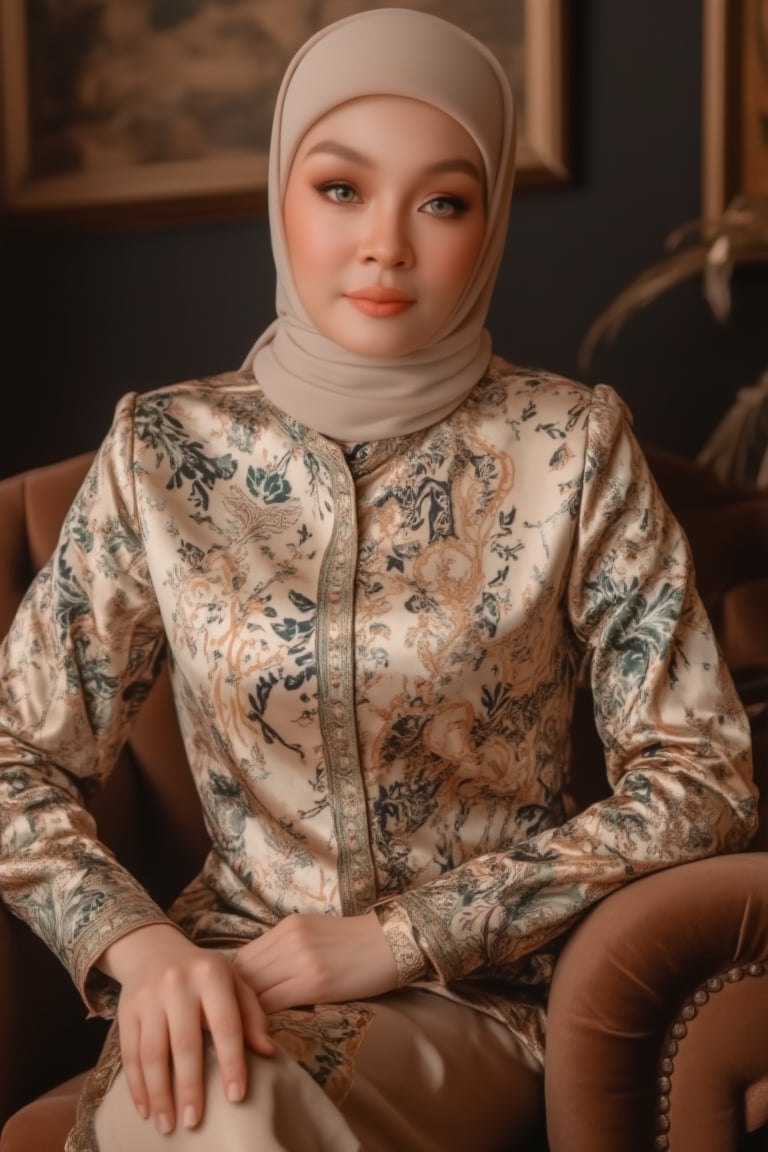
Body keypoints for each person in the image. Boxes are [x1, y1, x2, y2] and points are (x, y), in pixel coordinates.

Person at [0, 8, 757, 1152]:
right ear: (281, 195)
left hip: (478, 1001)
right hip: (221, 984)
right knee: (210, 1099)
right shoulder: (164, 452)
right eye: (341, 189)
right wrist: (138, 949)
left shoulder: (572, 448)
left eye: (442, 200)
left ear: (490, 216)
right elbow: (14, 754)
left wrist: (401, 936)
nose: (387, 243)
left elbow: (706, 778)